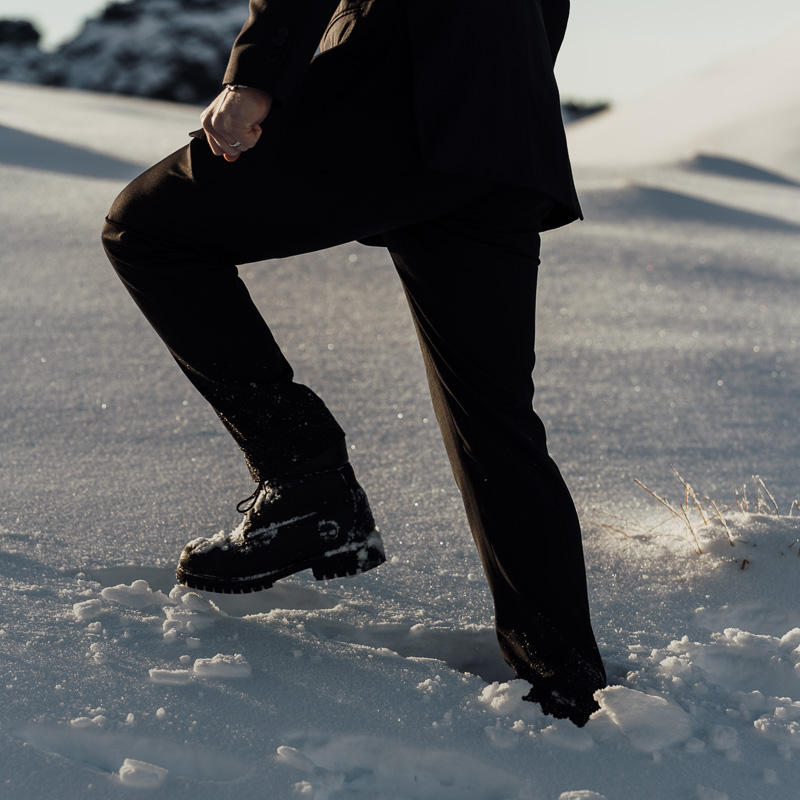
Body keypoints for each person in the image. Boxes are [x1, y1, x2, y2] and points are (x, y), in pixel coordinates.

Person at [101, 0, 606, 725]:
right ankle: (570, 681)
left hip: (396, 87)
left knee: (145, 228)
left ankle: (307, 480)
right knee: (493, 418)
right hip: (503, 123)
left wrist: (255, 76)